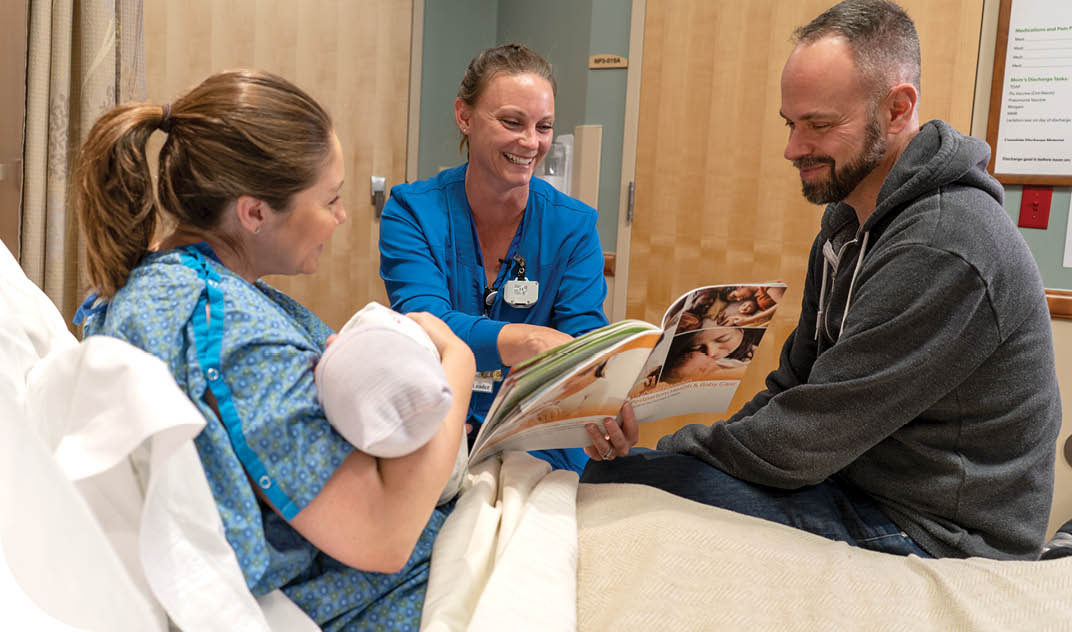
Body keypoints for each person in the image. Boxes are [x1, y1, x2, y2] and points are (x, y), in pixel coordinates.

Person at [583, 0, 1061, 561]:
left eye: (819, 125)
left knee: (634, 486)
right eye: (791, 124)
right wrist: (684, 456)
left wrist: (678, 452)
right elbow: (793, 388)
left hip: (942, 532)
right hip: (855, 483)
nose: (792, 149)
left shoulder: (943, 244)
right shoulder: (845, 223)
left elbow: (810, 437)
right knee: (627, 480)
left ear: (898, 108)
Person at [73, 69, 475, 630]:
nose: (340, 217)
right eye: (330, 199)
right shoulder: (227, 334)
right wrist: (458, 366)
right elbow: (383, 538)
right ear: (254, 212)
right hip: (347, 593)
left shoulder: (176, 286)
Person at [379, 43, 609, 473]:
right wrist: (529, 340)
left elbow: (584, 343)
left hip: (541, 438)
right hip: (443, 426)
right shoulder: (413, 211)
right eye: (511, 122)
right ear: (464, 117)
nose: (530, 142)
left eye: (544, 127)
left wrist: (605, 401)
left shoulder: (573, 226)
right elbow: (426, 323)